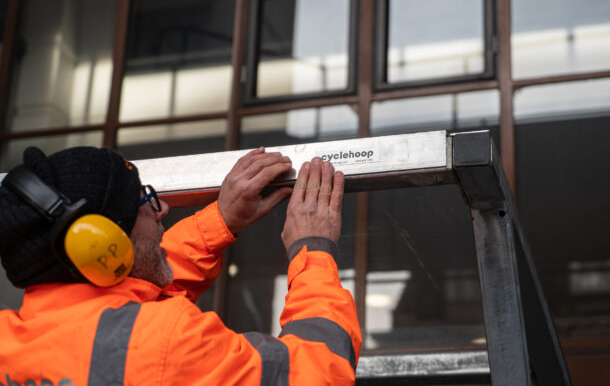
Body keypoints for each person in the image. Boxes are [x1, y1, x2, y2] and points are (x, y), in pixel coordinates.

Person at [0, 145, 361, 385]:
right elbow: (319, 370)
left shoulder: (9, 340)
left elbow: (130, 297)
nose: (162, 210)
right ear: (100, 247)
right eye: (144, 201)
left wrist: (222, 219)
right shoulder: (166, 342)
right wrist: (313, 248)